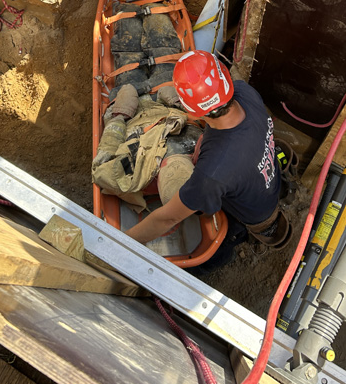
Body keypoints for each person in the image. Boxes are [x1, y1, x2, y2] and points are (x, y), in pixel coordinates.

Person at [125, 50, 291, 272]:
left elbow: (166, 219)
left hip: (253, 215)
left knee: (210, 256)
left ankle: (221, 253)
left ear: (191, 111)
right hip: (266, 181)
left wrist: (119, 242)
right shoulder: (246, 92)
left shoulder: (214, 172)